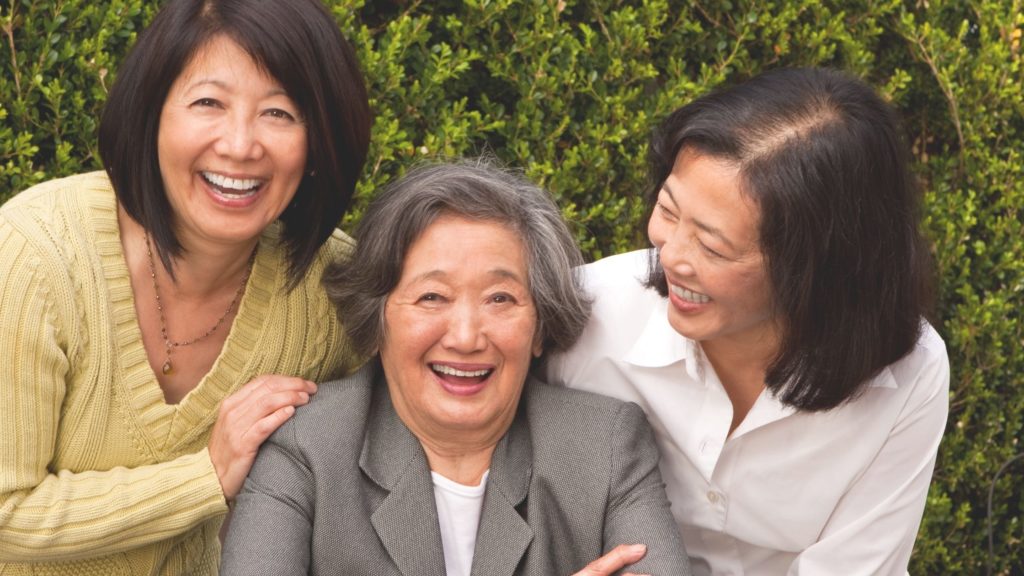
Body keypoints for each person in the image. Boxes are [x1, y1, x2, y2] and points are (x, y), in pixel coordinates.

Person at [0, 0, 371, 573]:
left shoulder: (330, 288)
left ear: (319, 141)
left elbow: (436, 431)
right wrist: (206, 476)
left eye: (280, 113)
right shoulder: (39, 253)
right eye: (208, 103)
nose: (241, 145)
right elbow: (6, 513)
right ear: (152, 116)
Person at [546, 67, 950, 575]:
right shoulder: (583, 314)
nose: (671, 256)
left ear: (817, 269)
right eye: (668, 211)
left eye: (713, 247)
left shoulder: (907, 374)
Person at [220, 161, 692, 576]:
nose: (466, 337)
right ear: (377, 315)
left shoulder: (603, 444)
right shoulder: (308, 446)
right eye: (432, 297)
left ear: (540, 325)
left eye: (500, 299)